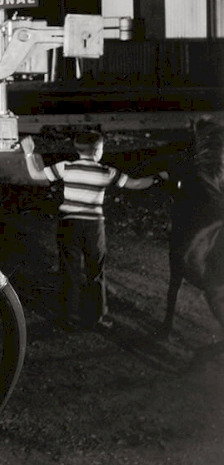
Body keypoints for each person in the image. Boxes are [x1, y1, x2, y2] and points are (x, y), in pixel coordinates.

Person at [22, 131, 167, 331]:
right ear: (97, 151)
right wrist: (158, 177)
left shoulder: (66, 167)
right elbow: (135, 183)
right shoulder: (106, 172)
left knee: (69, 270)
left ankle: (68, 317)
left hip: (68, 224)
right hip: (93, 228)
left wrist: (29, 153)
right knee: (95, 271)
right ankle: (96, 316)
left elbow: (36, 175)